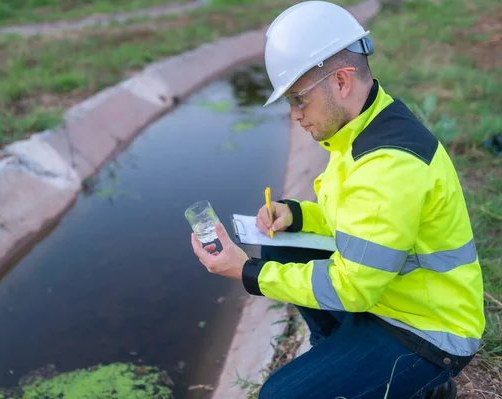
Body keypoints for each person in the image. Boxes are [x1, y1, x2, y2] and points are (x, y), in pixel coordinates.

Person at [190, 1, 485, 398]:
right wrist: (295, 216)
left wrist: (247, 272)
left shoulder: (388, 166)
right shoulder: (365, 124)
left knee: (278, 396)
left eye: (298, 99)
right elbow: (356, 221)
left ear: (341, 82)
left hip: (428, 331)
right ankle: (345, 362)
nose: (294, 115)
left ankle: (423, 385)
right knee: (280, 247)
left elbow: (352, 289)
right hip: (394, 296)